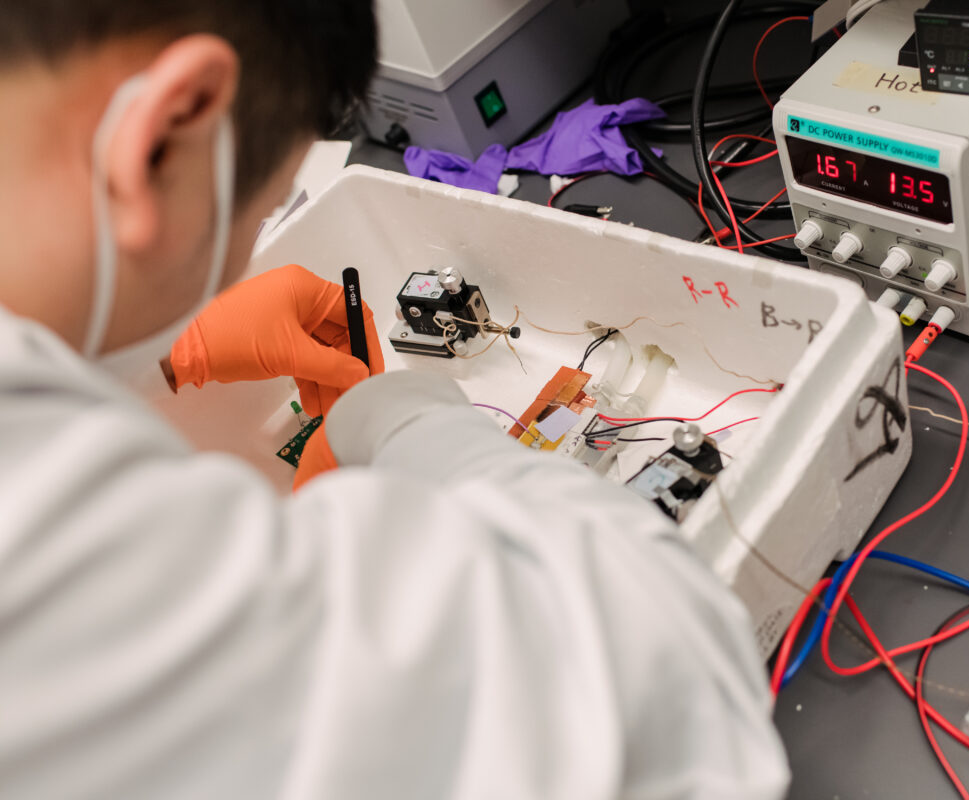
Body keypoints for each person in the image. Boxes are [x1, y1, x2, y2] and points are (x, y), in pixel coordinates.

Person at [0, 2, 789, 798]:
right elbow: (657, 666)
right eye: (254, 216)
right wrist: (413, 421)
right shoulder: (67, 547)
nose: (237, 252)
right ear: (170, 128)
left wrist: (173, 358)